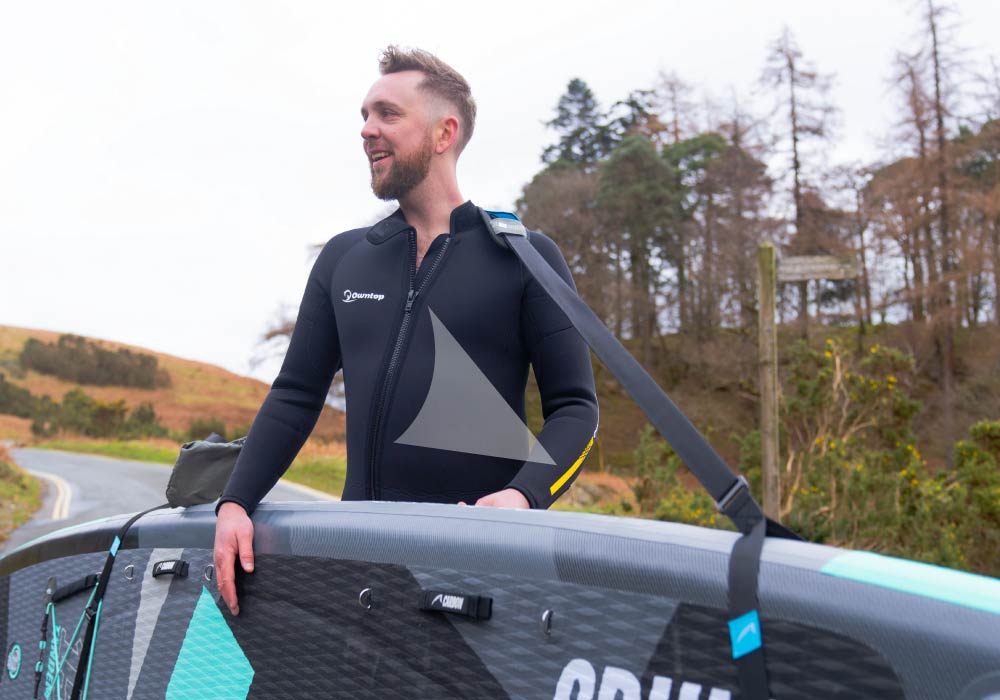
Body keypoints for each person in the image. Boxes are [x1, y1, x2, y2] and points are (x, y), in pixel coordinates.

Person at [214, 46, 598, 616]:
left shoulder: (522, 257)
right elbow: (296, 394)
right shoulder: (345, 258)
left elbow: (576, 410)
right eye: (363, 116)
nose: (366, 131)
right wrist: (235, 502)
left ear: (445, 133)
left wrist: (522, 497)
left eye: (387, 114)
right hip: (354, 567)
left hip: (470, 577)